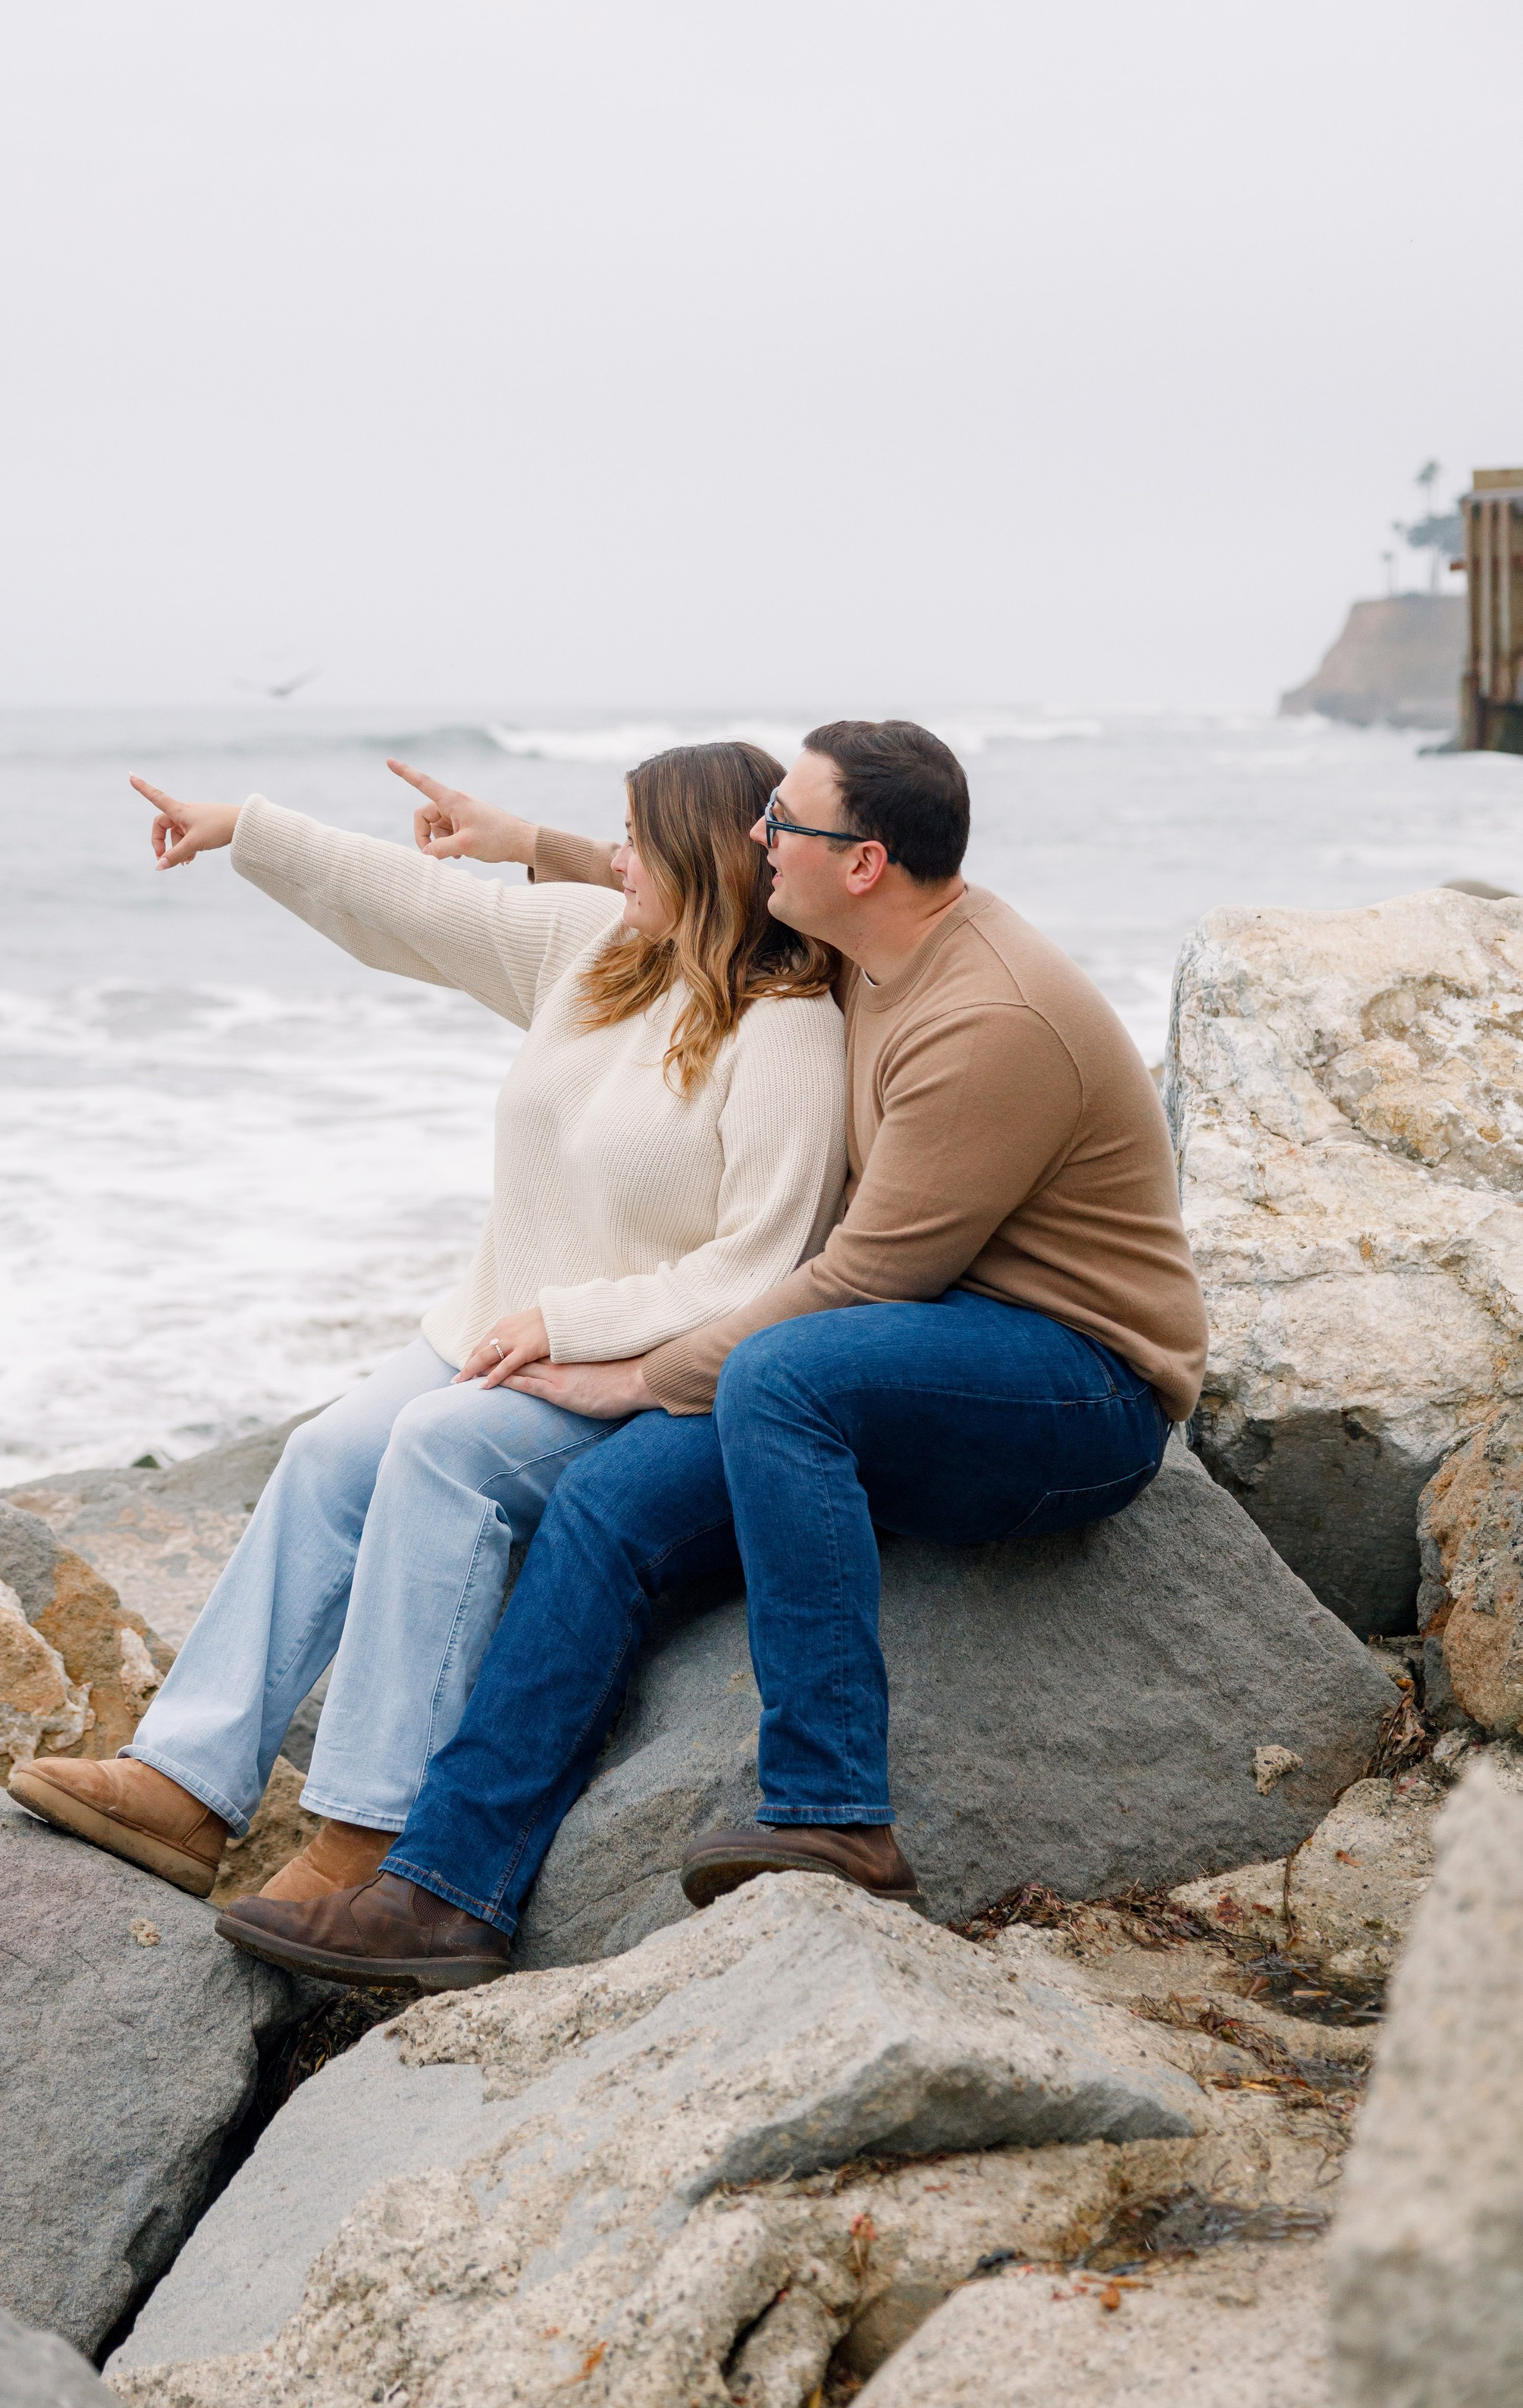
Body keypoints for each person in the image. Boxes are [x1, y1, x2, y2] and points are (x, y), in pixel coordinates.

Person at [218, 717, 1211, 1992]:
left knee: (774, 1377)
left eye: (782, 823)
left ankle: (834, 1812)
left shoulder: (990, 1020)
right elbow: (703, 885)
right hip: (914, 1354)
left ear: (862, 862)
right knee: (603, 1504)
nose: (758, 837)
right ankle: (446, 1896)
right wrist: (533, 844)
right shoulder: (865, 939)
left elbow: (860, 1283)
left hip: (1076, 1383)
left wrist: (628, 1377)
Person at [8, 742, 846, 1904]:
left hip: (639, 1366)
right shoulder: (599, 949)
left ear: (701, 861)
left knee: (436, 1456)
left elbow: (762, 1261)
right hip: (491, 1331)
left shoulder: (792, 1026)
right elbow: (413, 907)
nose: (612, 858)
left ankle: (365, 1834)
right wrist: (245, 827)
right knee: (326, 1453)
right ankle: (188, 1787)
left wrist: (571, 1320)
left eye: (635, 839)